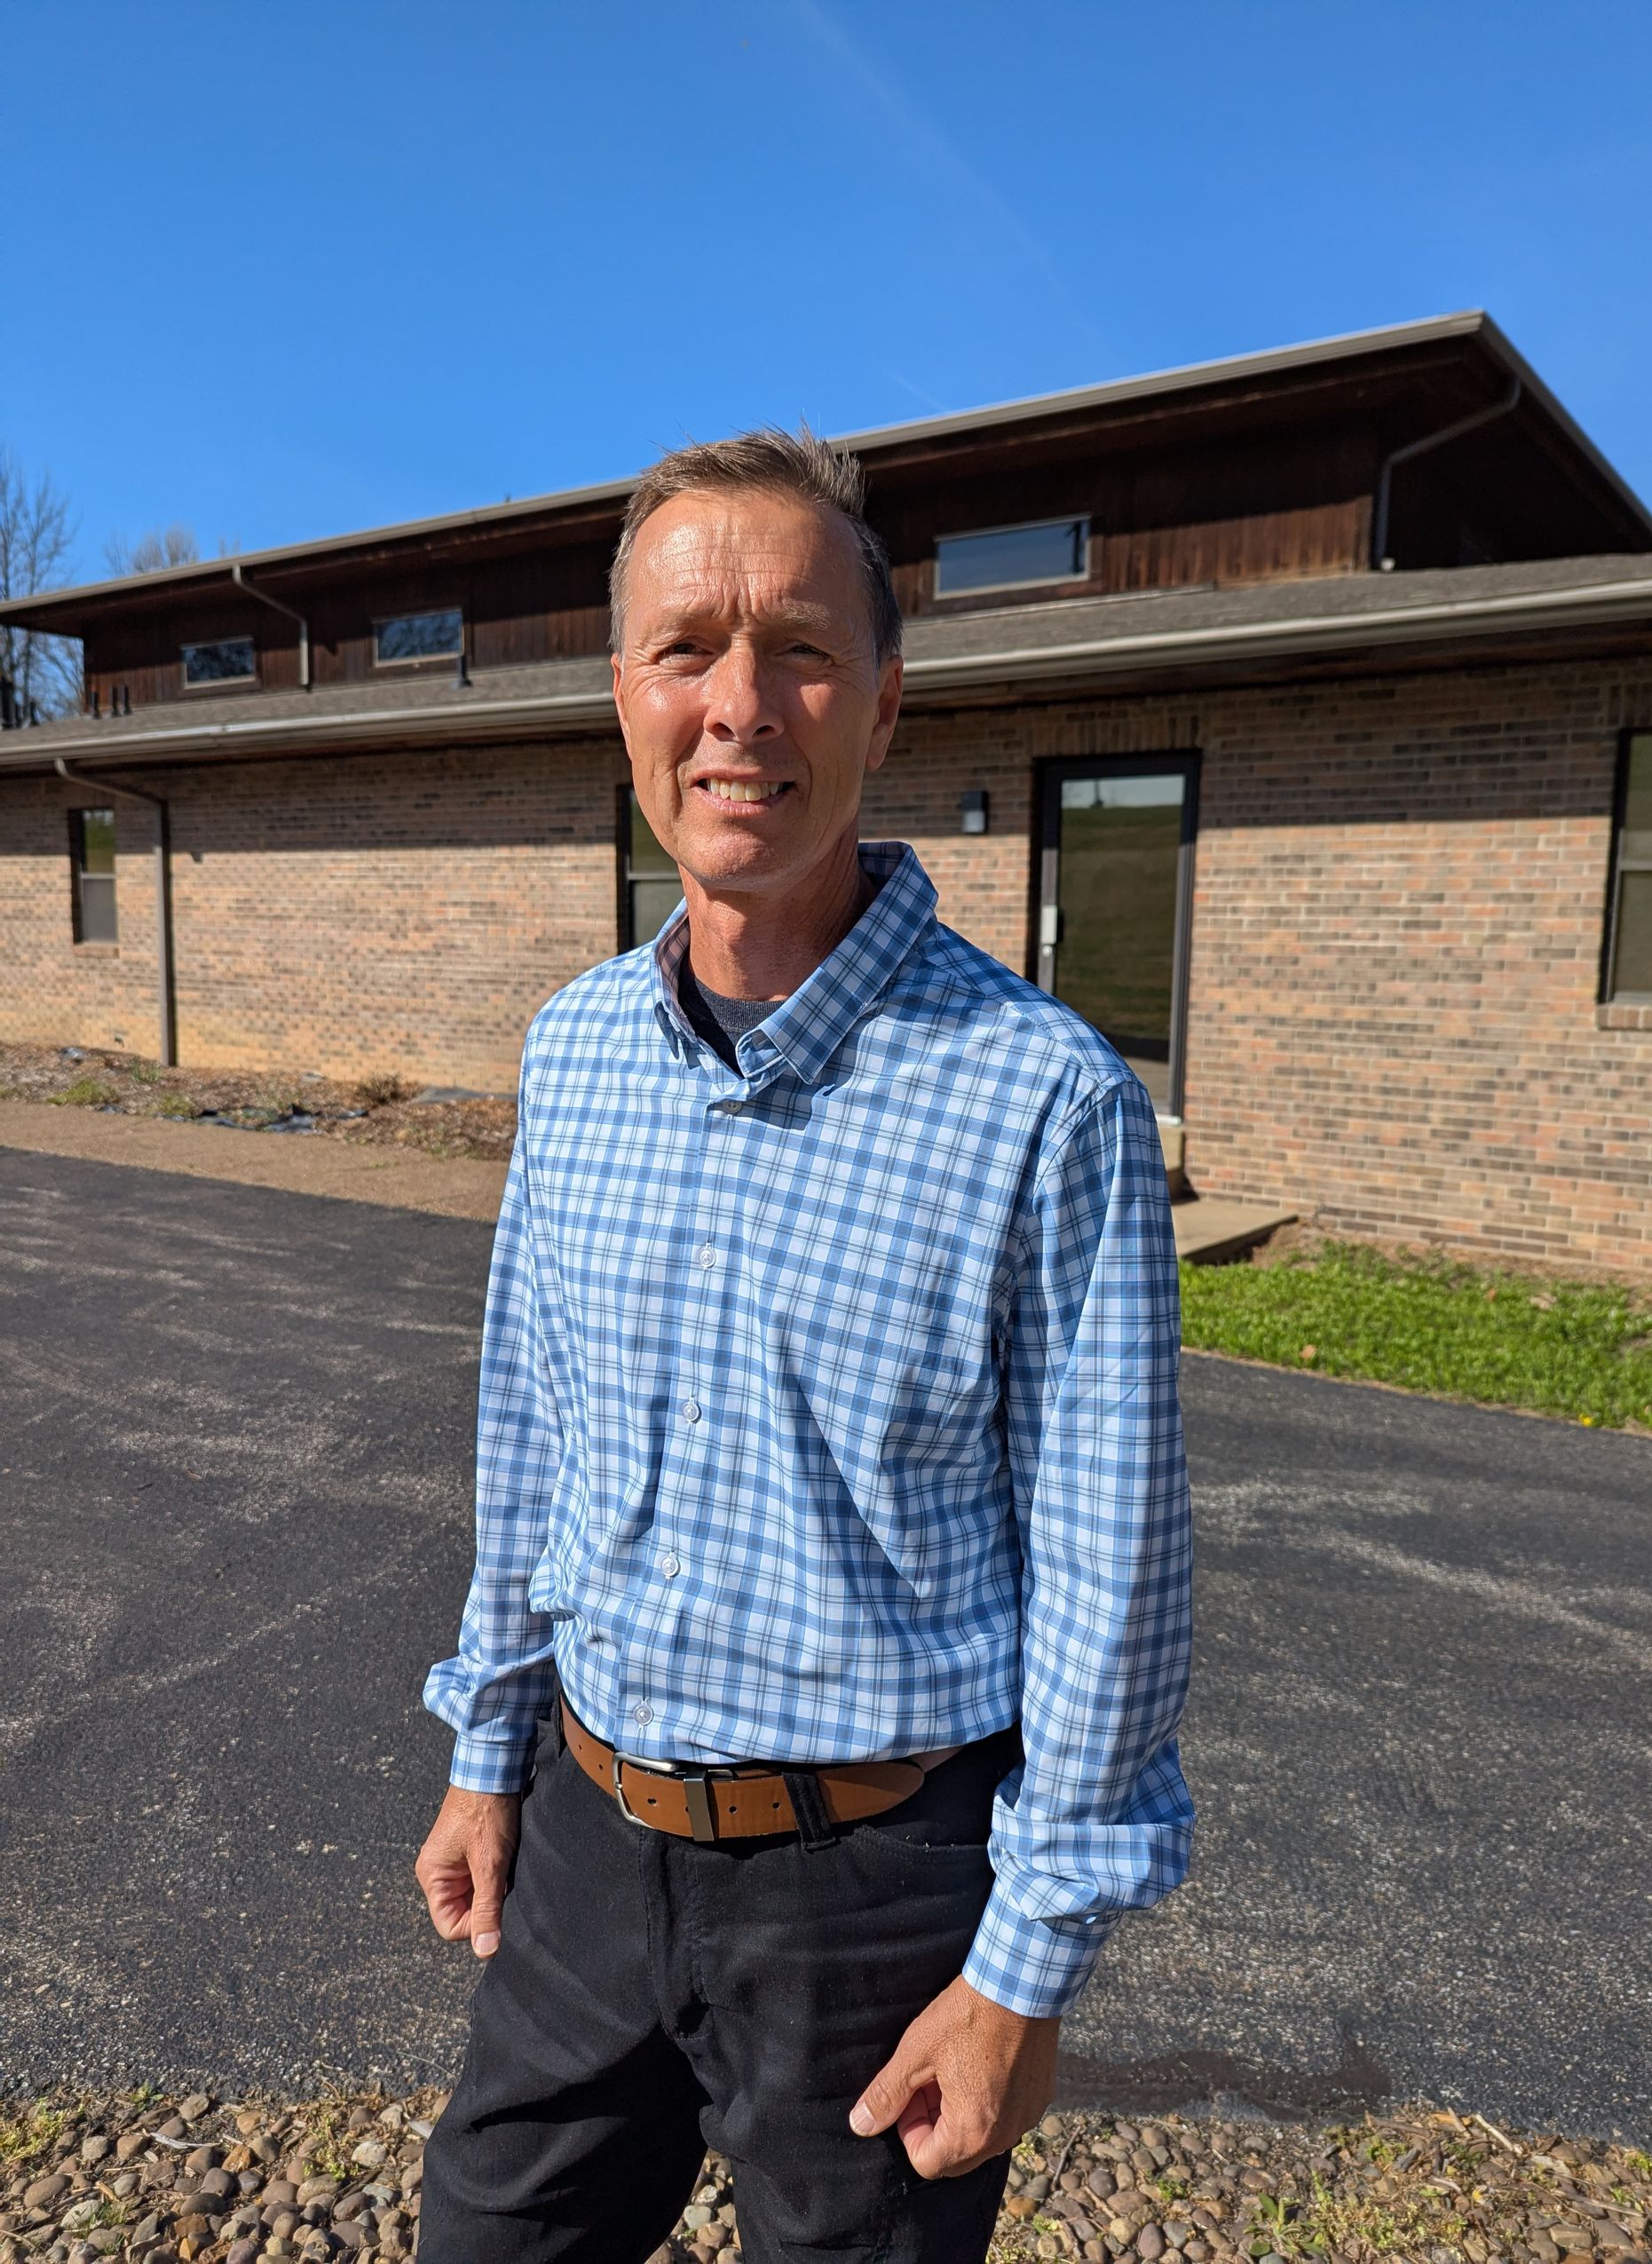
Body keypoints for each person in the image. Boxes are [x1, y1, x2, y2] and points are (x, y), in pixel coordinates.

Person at [413, 428, 1192, 2264]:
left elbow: (1112, 1574)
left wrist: (1023, 1972)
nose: (739, 706)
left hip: (879, 1895)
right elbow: (531, 1426)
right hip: (589, 1839)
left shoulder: (1042, 1100)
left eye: (803, 651)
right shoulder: (574, 1050)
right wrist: (487, 1740)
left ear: (887, 703)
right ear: (624, 698)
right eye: (686, 649)